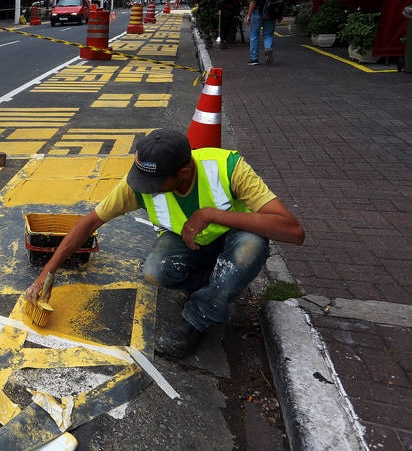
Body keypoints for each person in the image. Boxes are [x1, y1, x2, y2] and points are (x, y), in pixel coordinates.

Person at [24, 129, 305, 359]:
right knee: (155, 270)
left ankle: (197, 318)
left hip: (236, 238)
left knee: (249, 249)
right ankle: (212, 286)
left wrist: (210, 214)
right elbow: (89, 223)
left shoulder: (227, 167)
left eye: (155, 182)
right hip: (189, 246)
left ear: (184, 172)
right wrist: (47, 274)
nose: (144, 187)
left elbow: (293, 231)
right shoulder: (140, 182)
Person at [246, 0, 285, 65]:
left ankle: (254, 59)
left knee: (254, 35)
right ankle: (268, 48)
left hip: (258, 12)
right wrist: (280, 14)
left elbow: (253, 0)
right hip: (272, 13)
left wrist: (249, 14)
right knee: (268, 34)